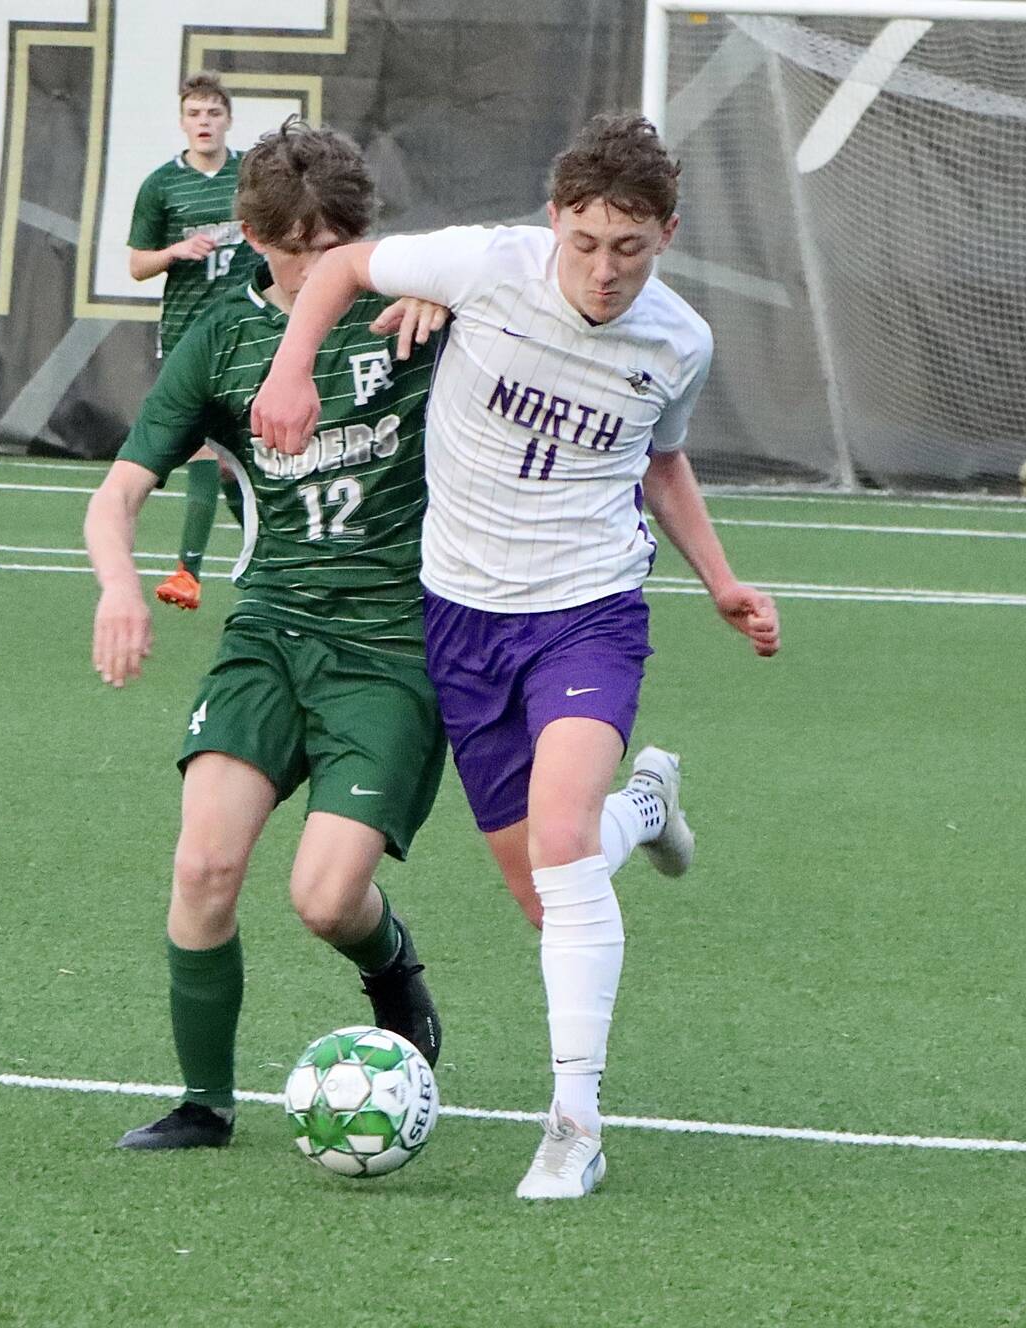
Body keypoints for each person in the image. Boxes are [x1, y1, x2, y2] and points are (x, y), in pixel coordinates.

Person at [251, 112, 782, 1199]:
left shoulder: (676, 340)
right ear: (553, 223)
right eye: (584, 243)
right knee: (550, 889)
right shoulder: (487, 265)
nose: (602, 270)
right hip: (461, 619)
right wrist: (292, 370)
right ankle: (646, 805)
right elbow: (342, 264)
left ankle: (572, 1125)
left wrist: (719, 579)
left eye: (628, 249)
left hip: (586, 612)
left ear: (665, 235)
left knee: (556, 840)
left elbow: (662, 462)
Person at [87, 118, 453, 1151]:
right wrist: (119, 586)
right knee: (202, 866)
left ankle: (394, 973)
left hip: (389, 646)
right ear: (251, 235)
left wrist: (444, 287)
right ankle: (204, 1102)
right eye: (296, 246)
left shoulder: (418, 307)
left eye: (337, 242)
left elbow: (533, 263)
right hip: (271, 629)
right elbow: (112, 500)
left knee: (325, 898)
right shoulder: (222, 338)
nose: (319, 263)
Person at [126, 71, 262, 613]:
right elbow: (137, 265)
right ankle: (189, 571)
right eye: (194, 114)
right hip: (187, 332)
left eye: (213, 113)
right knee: (206, 447)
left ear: (228, 118)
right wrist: (175, 252)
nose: (203, 122)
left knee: (236, 459)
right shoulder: (162, 184)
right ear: (182, 121)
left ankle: (261, 552)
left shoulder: (252, 176)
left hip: (248, 331)